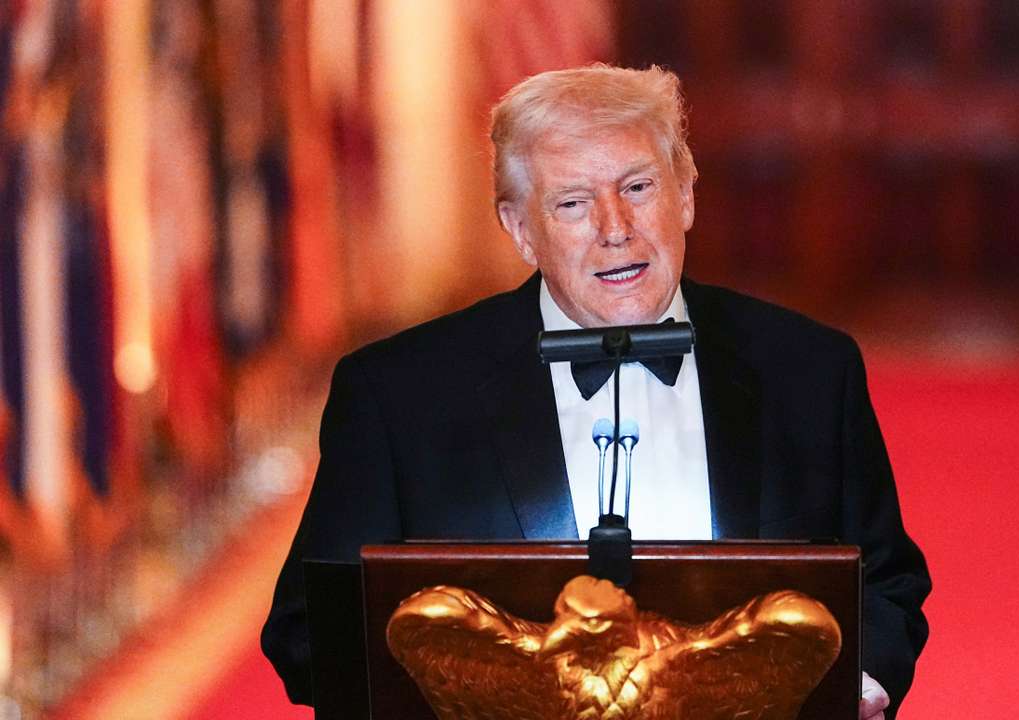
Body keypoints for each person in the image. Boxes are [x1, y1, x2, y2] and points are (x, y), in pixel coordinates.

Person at [262, 64, 929, 720]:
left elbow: (885, 584)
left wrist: (859, 684)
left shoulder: (810, 370)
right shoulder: (397, 396)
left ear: (686, 195)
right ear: (521, 229)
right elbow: (310, 632)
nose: (615, 228)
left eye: (637, 187)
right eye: (572, 203)